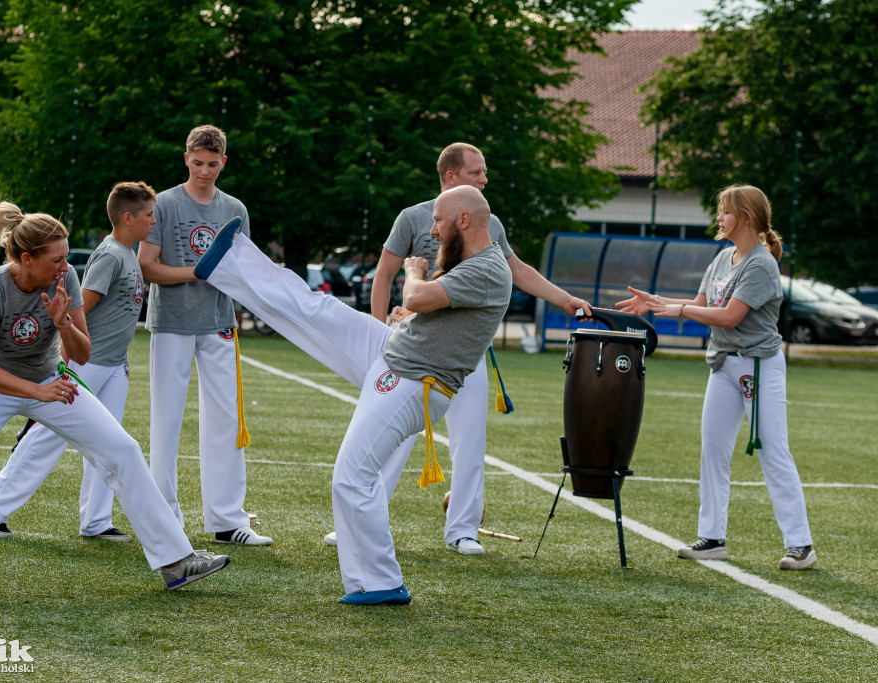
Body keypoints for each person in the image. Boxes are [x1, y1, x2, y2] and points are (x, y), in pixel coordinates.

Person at [0, 200, 230, 590]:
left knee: (123, 450)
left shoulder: (67, 279)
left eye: (64, 258)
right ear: (26, 258)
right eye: (56, 259)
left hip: (48, 381)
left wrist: (64, 324)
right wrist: (37, 393)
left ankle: (175, 562)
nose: (64, 266)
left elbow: (82, 353)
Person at [194, 185, 513, 604]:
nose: (432, 231)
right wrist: (405, 318)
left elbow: (416, 294)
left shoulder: (489, 268)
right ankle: (229, 261)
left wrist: (413, 276)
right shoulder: (468, 261)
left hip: (413, 381)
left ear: (464, 221)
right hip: (395, 352)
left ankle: (382, 582)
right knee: (316, 308)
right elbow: (432, 314)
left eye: (437, 220)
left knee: (351, 476)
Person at [342, 142, 591, 556]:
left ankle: (462, 530)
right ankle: (363, 517)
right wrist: (381, 325)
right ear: (451, 177)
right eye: (477, 172)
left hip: (465, 355)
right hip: (414, 352)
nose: (484, 179)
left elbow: (518, 270)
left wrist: (565, 299)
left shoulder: (486, 221)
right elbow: (385, 273)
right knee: (389, 439)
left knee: (470, 439)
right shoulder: (412, 218)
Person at [616, 184, 816, 570]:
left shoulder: (761, 263)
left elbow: (728, 316)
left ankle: (801, 545)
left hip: (759, 367)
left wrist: (675, 309)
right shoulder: (723, 257)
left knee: (773, 450)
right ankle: (712, 538)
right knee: (713, 450)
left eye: (725, 211)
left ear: (744, 216)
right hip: (724, 366)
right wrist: (657, 304)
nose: (719, 218)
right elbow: (702, 305)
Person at [0, 182, 157, 543]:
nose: (154, 221)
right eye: (149, 215)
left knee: (108, 443)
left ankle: (96, 520)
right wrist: (68, 357)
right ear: (127, 217)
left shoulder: (128, 255)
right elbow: (77, 309)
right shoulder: (109, 256)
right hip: (87, 364)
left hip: (113, 365)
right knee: (47, 438)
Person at [137, 124, 271, 546]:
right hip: (173, 322)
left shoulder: (235, 208)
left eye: (213, 164)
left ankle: (228, 520)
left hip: (219, 324)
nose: (205, 171)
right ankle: (164, 519)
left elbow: (244, 269)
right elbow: (147, 265)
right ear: (186, 159)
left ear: (223, 162)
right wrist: (196, 272)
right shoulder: (164, 204)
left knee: (227, 421)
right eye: (198, 163)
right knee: (167, 421)